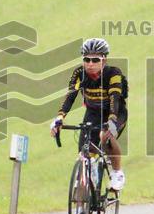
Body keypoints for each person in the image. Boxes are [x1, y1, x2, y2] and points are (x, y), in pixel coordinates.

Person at [50, 38, 128, 191]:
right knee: (83, 155)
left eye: (95, 60)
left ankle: (117, 172)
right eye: (86, 59)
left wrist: (111, 120)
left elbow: (115, 98)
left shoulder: (113, 73)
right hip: (92, 112)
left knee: (104, 136)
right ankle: (81, 209)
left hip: (115, 111)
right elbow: (70, 96)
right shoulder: (79, 73)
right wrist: (59, 117)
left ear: (104, 60)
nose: (90, 64)